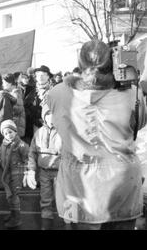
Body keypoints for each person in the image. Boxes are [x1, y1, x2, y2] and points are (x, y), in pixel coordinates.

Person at [46, 40, 147, 230]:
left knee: (73, 225)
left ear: (80, 62)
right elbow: (139, 124)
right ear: (113, 60)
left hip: (76, 186)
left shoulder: (57, 92)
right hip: (122, 183)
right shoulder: (133, 92)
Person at [25, 106, 62, 230]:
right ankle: (46, 225)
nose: (51, 117)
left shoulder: (64, 132)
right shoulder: (39, 132)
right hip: (44, 172)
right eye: (48, 114)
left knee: (64, 200)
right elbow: (32, 153)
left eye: (53, 113)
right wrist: (31, 170)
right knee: (45, 200)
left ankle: (69, 224)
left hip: (60, 173)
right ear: (44, 116)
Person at [0, 120, 29, 229]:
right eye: (6, 133)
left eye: (11, 132)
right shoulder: (4, 144)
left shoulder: (21, 145)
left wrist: (26, 172)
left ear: (15, 131)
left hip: (17, 174)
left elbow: (28, 158)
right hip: (7, 174)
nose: (9, 135)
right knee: (9, 196)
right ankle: (13, 213)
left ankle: (17, 218)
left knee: (14, 196)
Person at [2, 73, 26, 138]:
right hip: (13, 125)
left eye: (4, 83)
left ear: (9, 83)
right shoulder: (10, 92)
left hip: (16, 125)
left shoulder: (16, 93)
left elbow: (18, 109)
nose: (2, 85)